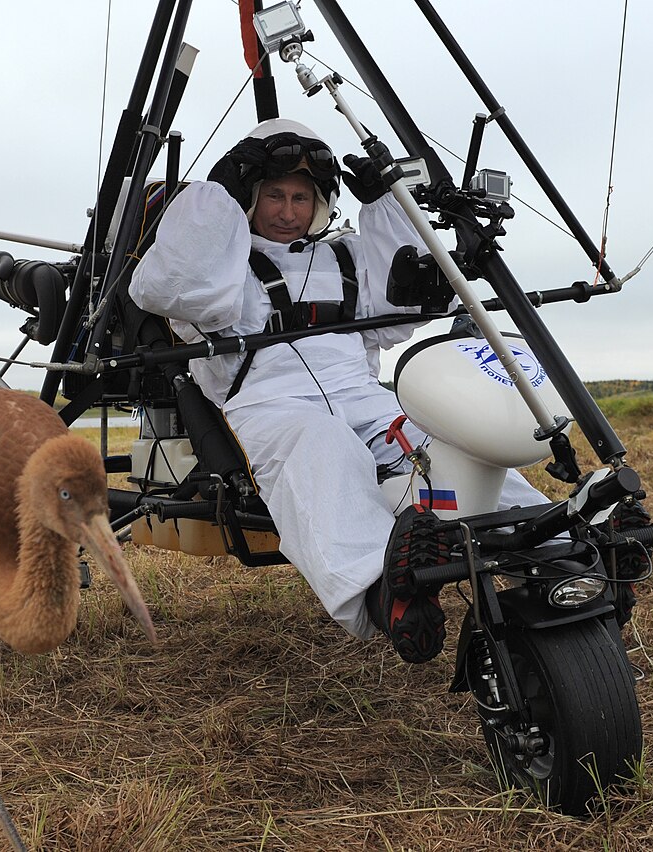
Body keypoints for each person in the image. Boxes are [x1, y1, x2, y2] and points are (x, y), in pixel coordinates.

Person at [129, 118, 547, 663]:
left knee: (440, 442)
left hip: (364, 397)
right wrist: (216, 198)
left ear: (321, 200)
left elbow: (403, 307)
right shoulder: (221, 264)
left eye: (301, 197)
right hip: (271, 405)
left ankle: (547, 547)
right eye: (272, 194)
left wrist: (386, 206)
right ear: (248, 197)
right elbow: (170, 289)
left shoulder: (344, 255)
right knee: (323, 445)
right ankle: (386, 590)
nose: (287, 211)